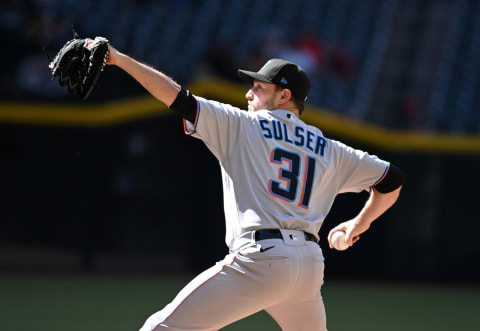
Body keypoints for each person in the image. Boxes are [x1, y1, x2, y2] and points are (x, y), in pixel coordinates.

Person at [101, 40, 405, 331]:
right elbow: (391, 179)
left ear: (284, 96)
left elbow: (177, 98)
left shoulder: (244, 125)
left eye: (258, 88)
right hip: (309, 266)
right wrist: (356, 226)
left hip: (261, 259)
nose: (248, 94)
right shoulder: (329, 148)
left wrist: (119, 59)